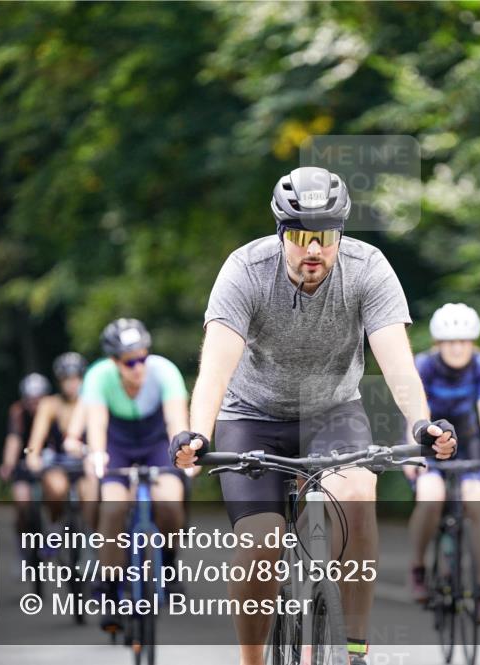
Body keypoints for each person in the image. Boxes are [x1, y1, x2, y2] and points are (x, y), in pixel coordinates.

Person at [172, 166, 457, 665]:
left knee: (357, 493)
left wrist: (421, 423)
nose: (313, 251)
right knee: (260, 545)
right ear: (282, 233)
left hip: (332, 413)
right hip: (252, 415)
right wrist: (198, 431)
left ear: (339, 233)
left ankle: (354, 649)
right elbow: (215, 367)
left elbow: (397, 361)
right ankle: (253, 661)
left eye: (325, 237)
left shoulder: (368, 268)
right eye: (301, 237)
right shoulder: (245, 270)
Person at [404, 303, 480, 623]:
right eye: (450, 341)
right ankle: (418, 568)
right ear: (438, 343)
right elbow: (415, 413)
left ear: (473, 342)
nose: (457, 348)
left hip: (469, 444)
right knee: (430, 498)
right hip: (430, 444)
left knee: (476, 506)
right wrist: (413, 452)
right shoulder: (424, 365)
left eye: (464, 341)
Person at [82, 318, 190, 631]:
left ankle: (168, 564)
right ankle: (112, 590)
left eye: (143, 357)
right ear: (114, 361)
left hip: (156, 443)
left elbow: (175, 420)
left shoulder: (164, 371)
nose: (138, 366)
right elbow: (97, 426)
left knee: (170, 500)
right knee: (113, 507)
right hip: (118, 445)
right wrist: (98, 456)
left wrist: (184, 454)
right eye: (130, 362)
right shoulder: (98, 377)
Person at [25, 352, 93, 530]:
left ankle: (90, 536)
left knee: (90, 495)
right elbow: (35, 441)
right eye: (67, 378)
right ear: (59, 380)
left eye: (76, 378)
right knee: (56, 490)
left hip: (85, 463)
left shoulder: (92, 402)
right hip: (57, 463)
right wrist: (32, 456)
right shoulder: (49, 404)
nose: (72, 383)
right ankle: (55, 525)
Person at [0, 372, 51, 546]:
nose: (34, 404)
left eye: (38, 399)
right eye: (30, 400)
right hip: (25, 455)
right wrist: (8, 464)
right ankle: (22, 540)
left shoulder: (52, 409)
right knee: (22, 501)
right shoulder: (18, 412)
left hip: (48, 458)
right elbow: (13, 440)